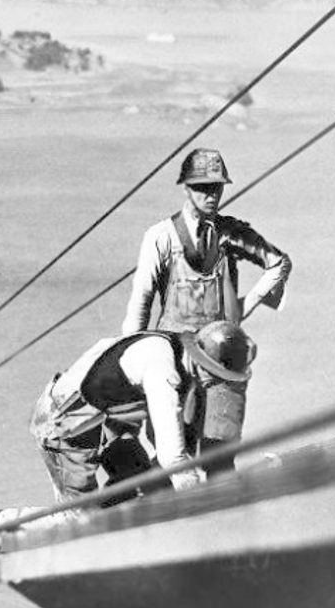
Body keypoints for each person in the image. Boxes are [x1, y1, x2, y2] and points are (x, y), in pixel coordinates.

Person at [121, 148, 290, 461]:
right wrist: (131, 365)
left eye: (216, 188)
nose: (211, 195)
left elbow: (278, 263)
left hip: (220, 361)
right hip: (171, 358)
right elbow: (140, 303)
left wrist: (244, 307)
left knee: (220, 454)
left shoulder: (230, 235)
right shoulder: (161, 238)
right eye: (202, 188)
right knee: (172, 455)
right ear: (186, 188)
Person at [29, 320, 256, 505]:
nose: (216, 386)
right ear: (203, 365)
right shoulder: (163, 371)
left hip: (104, 423)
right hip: (65, 426)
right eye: (216, 378)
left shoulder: (178, 349)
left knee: (137, 484)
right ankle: (0, 524)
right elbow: (172, 457)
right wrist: (199, 503)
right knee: (81, 524)